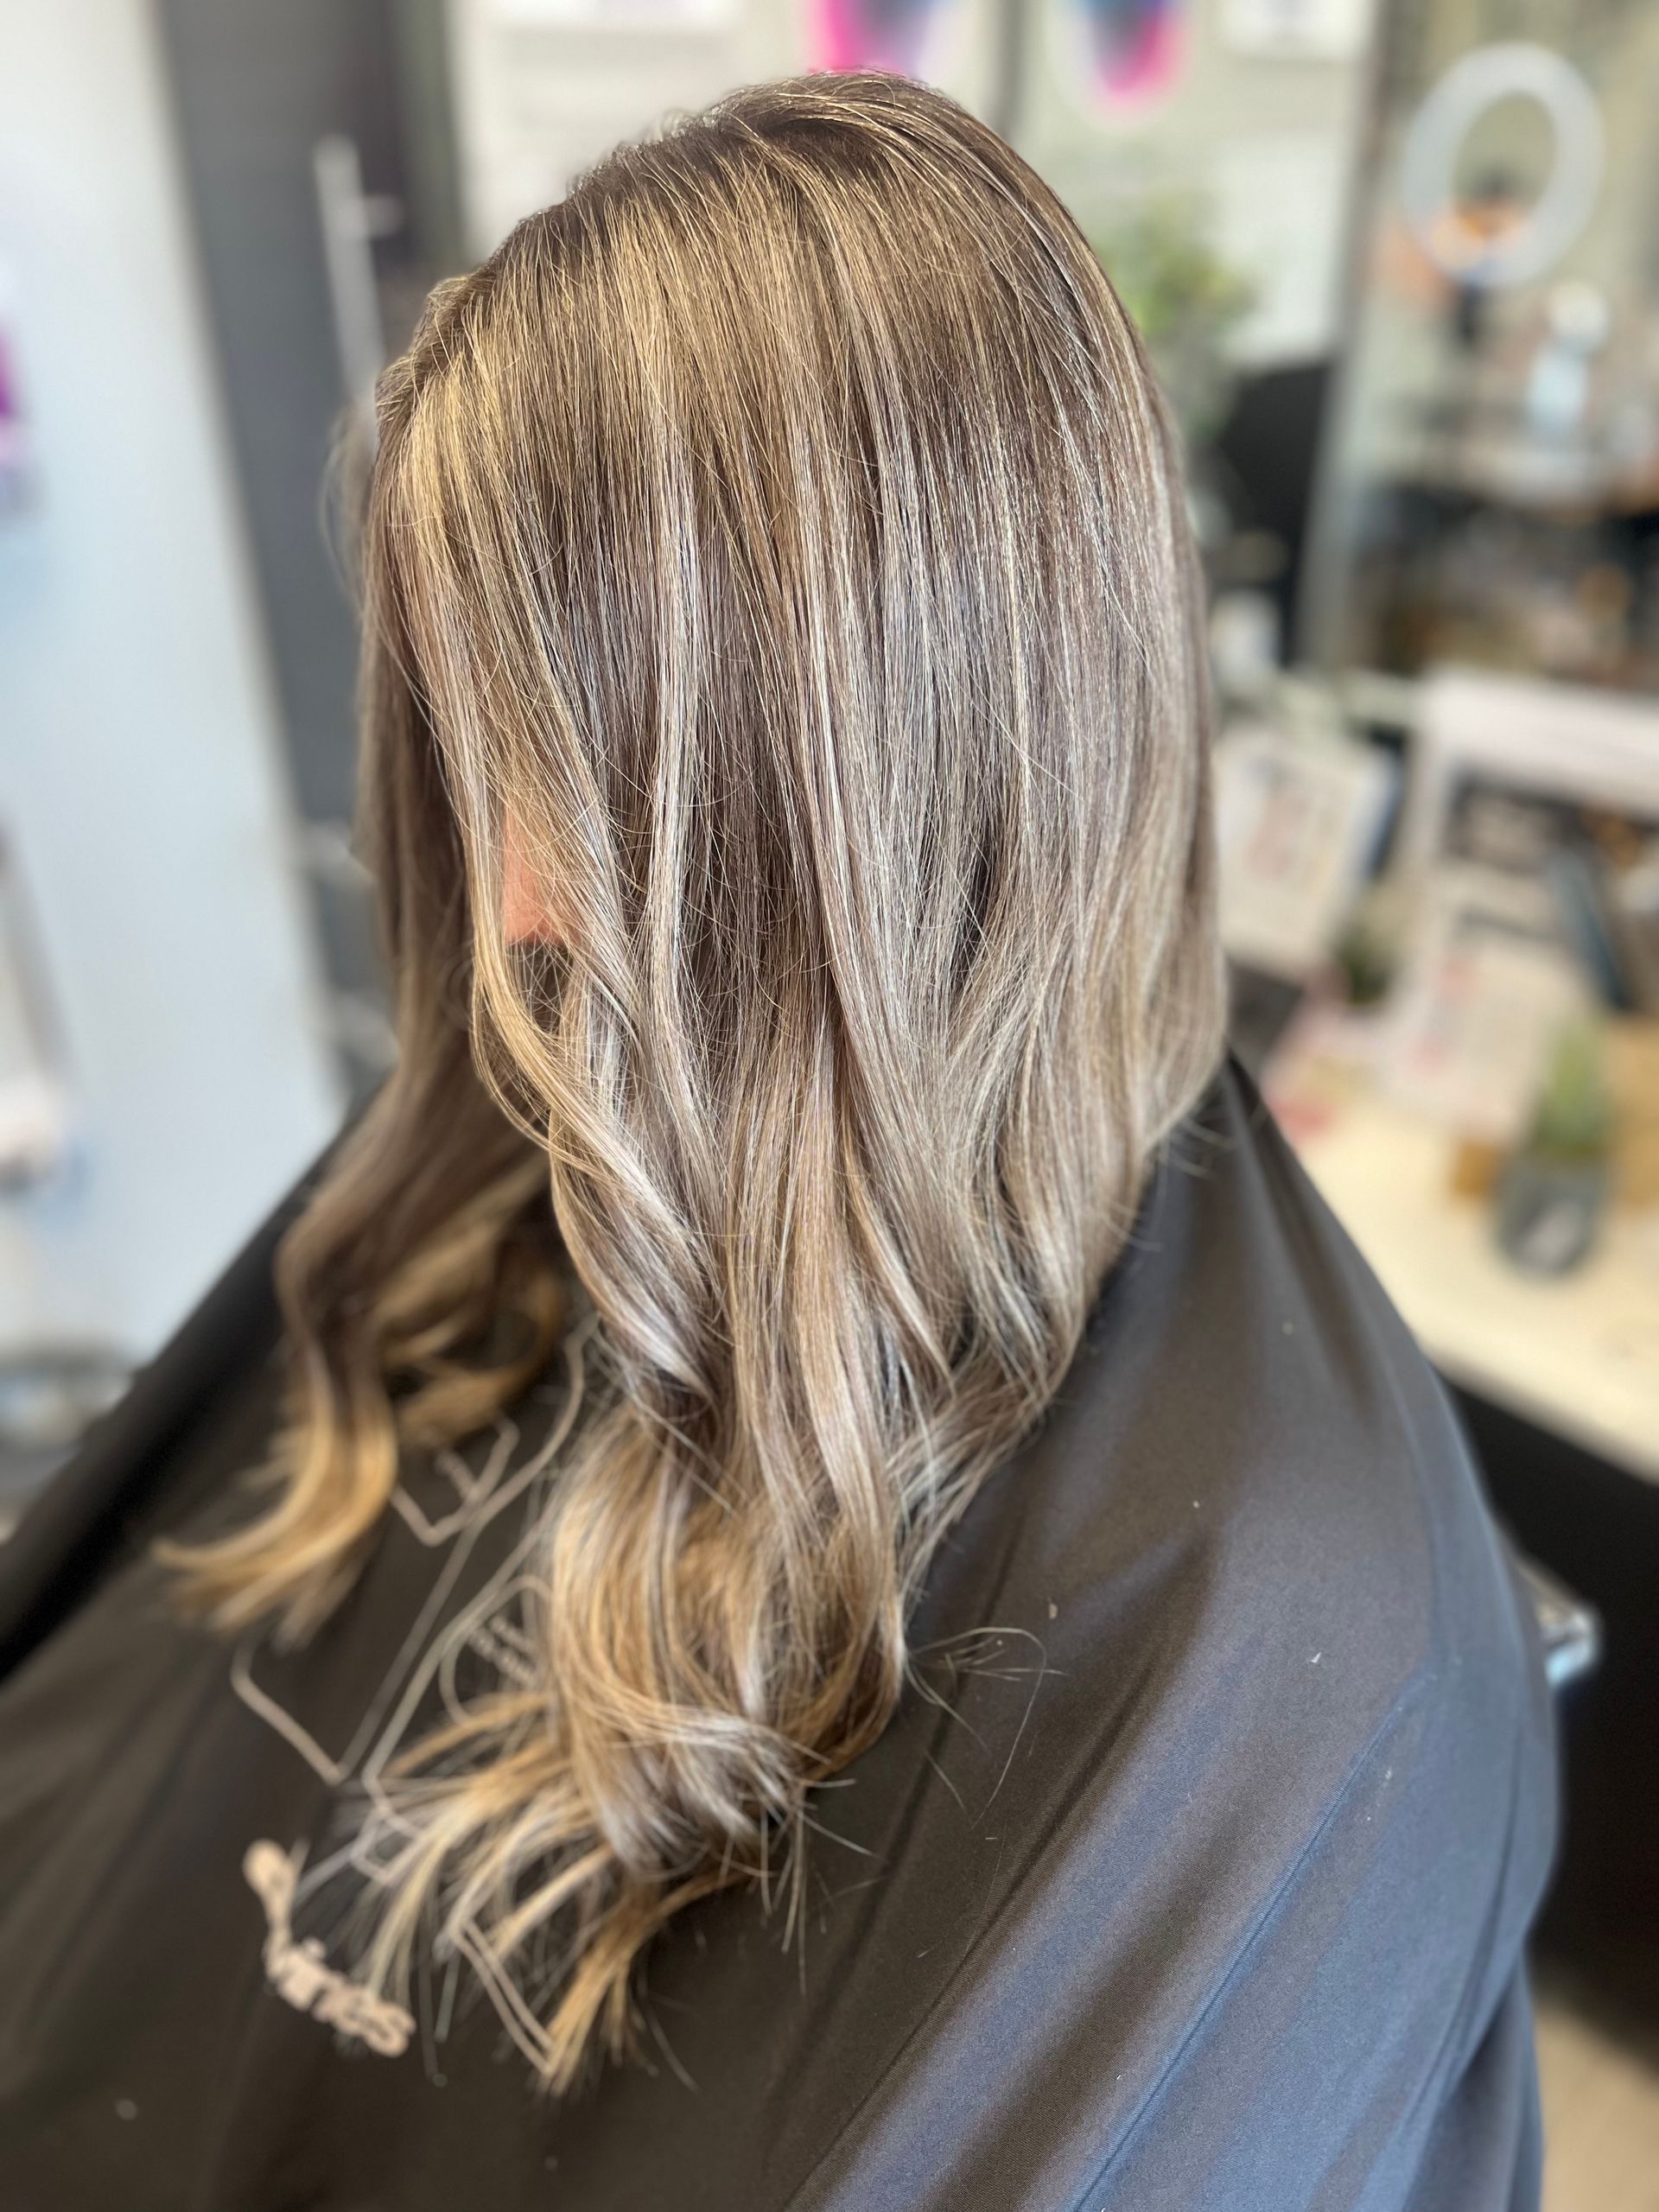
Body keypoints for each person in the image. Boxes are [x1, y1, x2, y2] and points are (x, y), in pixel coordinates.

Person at [0, 70, 1554, 2211]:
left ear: (873, 798)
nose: (518, 911)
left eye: (576, 785)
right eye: (479, 759)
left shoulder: (1282, 1641)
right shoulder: (554, 1130)